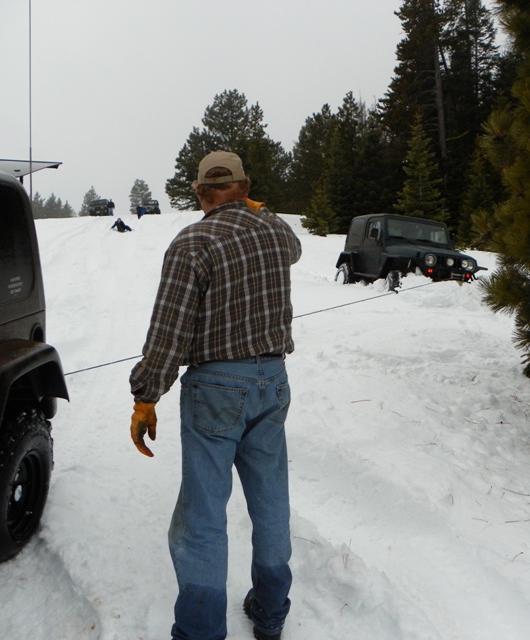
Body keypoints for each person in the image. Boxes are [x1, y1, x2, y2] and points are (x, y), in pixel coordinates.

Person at [129, 150, 301, 640]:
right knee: (270, 500)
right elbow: (293, 248)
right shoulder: (273, 231)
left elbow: (168, 331)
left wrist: (147, 396)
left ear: (201, 193)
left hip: (217, 387)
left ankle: (201, 630)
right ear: (246, 188)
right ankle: (270, 611)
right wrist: (258, 207)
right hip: (273, 381)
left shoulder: (193, 241)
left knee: (203, 513)